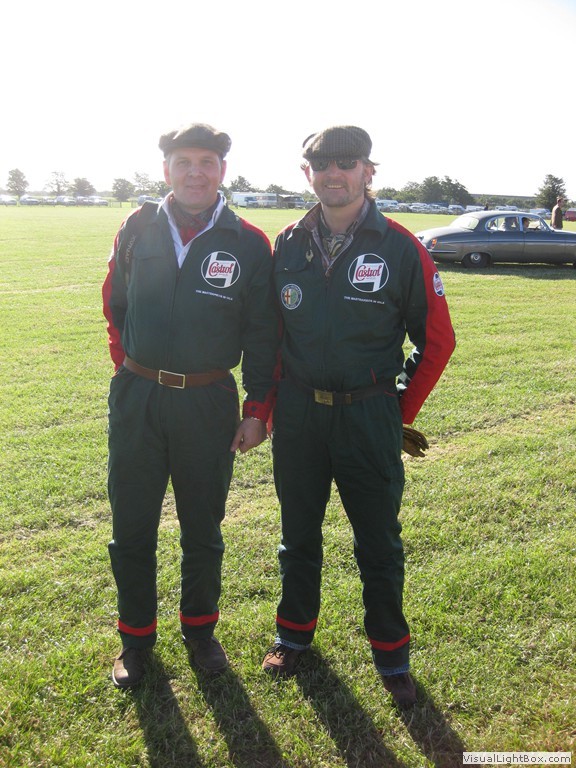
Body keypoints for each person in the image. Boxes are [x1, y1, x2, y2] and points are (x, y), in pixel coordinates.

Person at [262, 125, 455, 708]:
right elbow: (271, 338)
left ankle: (392, 655)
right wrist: (265, 408)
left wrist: (396, 411)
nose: (334, 174)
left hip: (369, 415)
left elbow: (437, 340)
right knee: (297, 536)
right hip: (299, 416)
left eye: (346, 164)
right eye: (322, 165)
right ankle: (293, 636)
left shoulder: (400, 246)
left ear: (368, 171)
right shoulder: (288, 244)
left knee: (378, 542)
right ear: (308, 174)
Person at [102, 123, 278, 688]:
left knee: (203, 526)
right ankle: (135, 639)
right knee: (132, 525)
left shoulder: (248, 242)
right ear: (166, 169)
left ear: (222, 170)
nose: (195, 173)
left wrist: (257, 410)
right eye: (183, 162)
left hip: (208, 400)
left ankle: (200, 632)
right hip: (138, 397)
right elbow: (115, 302)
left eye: (206, 162)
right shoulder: (137, 226)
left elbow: (263, 334)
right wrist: (133, 367)